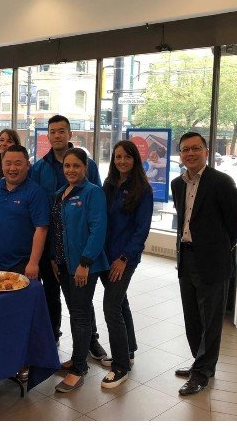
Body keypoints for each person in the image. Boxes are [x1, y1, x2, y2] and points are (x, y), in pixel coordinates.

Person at [172, 131, 237, 396]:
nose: (190, 153)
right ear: (180, 154)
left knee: (211, 319)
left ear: (206, 151)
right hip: (186, 256)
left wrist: (219, 250)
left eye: (195, 149)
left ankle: (202, 372)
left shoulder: (222, 182)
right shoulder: (177, 184)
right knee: (192, 316)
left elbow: (236, 222)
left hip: (213, 260)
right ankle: (199, 363)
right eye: (185, 150)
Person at [31, 114, 103, 354]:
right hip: (50, 245)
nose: (57, 135)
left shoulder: (88, 164)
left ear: (70, 134)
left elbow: (96, 203)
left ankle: (90, 341)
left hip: (79, 244)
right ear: (48, 135)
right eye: (53, 131)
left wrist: (87, 257)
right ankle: (53, 337)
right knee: (51, 293)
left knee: (80, 299)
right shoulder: (40, 167)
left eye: (62, 131)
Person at [50, 147, 108, 394]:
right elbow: (56, 229)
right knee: (74, 312)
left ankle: (79, 369)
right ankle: (76, 357)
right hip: (62, 265)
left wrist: (85, 263)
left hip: (84, 267)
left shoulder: (93, 193)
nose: (71, 170)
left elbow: (98, 229)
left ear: (86, 168)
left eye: (76, 166)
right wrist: (54, 258)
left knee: (81, 314)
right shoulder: (60, 193)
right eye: (67, 166)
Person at [99, 140, 154, 389]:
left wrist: (124, 259)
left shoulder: (143, 190)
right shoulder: (109, 185)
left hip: (124, 258)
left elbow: (141, 230)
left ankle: (120, 366)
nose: (122, 161)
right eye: (117, 157)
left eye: (127, 157)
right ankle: (128, 349)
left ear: (135, 160)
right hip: (105, 255)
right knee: (120, 302)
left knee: (111, 306)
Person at [0, 143, 48, 277]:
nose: (12, 168)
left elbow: (41, 229)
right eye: (8, 163)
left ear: (27, 165)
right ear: (2, 165)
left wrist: (33, 263)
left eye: (18, 163)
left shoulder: (36, 192)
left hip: (22, 264)